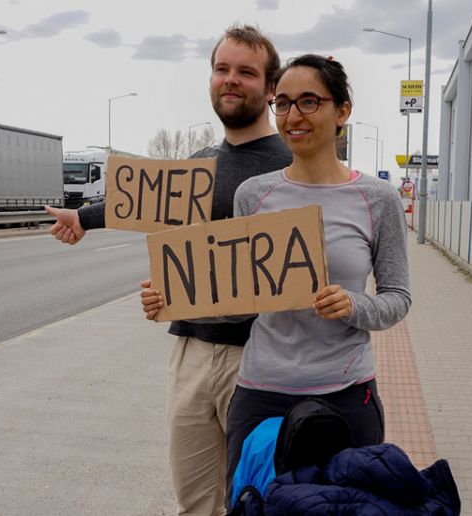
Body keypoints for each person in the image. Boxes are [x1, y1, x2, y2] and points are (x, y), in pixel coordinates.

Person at [141, 54, 411, 511]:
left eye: (309, 102)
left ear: (342, 111)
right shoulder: (256, 195)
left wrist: (352, 305)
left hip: (346, 393)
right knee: (251, 506)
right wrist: (177, 299)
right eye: (283, 103)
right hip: (261, 391)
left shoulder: (377, 198)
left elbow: (398, 298)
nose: (294, 116)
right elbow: (244, 301)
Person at [46, 25, 292, 516]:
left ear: (270, 89)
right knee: (196, 502)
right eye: (222, 69)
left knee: (260, 500)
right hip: (192, 353)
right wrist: (82, 219)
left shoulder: (292, 164)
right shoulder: (197, 163)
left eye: (246, 72)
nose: (231, 80)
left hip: (265, 356)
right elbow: (139, 201)